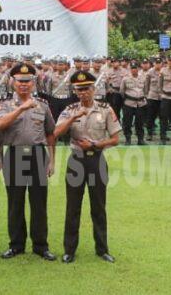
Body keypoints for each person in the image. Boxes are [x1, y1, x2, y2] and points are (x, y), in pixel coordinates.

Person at [56, 69, 120, 264]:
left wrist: (94, 145)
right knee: (73, 207)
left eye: (87, 89)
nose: (83, 93)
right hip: (76, 161)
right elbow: (56, 132)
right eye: (79, 89)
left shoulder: (105, 109)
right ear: (75, 91)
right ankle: (69, 250)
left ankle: (102, 249)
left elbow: (116, 139)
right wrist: (73, 117)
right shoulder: (70, 109)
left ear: (94, 89)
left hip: (97, 160)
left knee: (98, 207)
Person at [0, 60, 57, 260]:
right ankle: (16, 245)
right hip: (14, 155)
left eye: (27, 81)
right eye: (20, 81)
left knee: (39, 202)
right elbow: (0, 125)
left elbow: (50, 133)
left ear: (33, 83)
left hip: (38, 155)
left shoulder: (43, 106)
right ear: (13, 82)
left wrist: (52, 160)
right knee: (15, 202)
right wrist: (21, 109)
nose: (23, 84)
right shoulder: (5, 105)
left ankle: (41, 245)